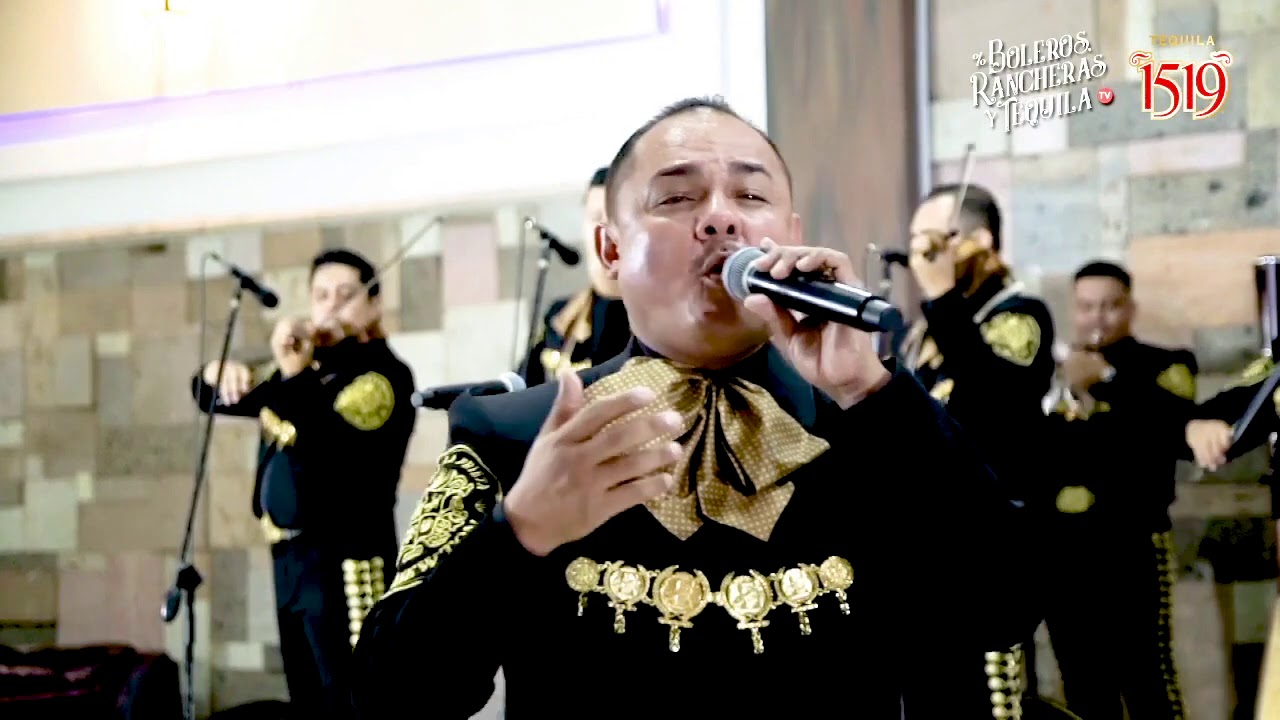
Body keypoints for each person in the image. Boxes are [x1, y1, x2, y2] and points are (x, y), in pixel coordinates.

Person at [351, 97, 1041, 718]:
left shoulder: (869, 420)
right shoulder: (513, 433)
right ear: (610, 250)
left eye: (750, 194)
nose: (720, 215)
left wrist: (874, 394)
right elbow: (383, 699)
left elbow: (1002, 605)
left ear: (789, 232)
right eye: (677, 198)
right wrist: (520, 532)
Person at [190, 249, 417, 720]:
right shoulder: (305, 369)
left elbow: (329, 445)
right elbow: (216, 398)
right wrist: (216, 373)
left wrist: (293, 372)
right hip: (291, 560)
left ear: (374, 305)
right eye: (320, 296)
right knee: (306, 699)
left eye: (345, 295)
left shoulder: (381, 376)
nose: (330, 307)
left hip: (345, 562)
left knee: (353, 699)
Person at [896, 183, 1057, 700]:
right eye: (918, 241)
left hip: (992, 542)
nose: (921, 256)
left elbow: (995, 400)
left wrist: (941, 297)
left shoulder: (1021, 315)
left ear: (980, 241)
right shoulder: (928, 329)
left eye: (935, 242)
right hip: (927, 541)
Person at [1040, 261, 1196, 719]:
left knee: (1147, 676)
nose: (1098, 317)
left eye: (1110, 306)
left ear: (1130, 308)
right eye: (1087, 307)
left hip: (1131, 548)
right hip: (1062, 552)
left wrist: (1105, 380)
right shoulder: (1050, 369)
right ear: (1074, 309)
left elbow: (1173, 429)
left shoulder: (1164, 366)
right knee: (1082, 683)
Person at [518, 167, 632, 386]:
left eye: (615, 219)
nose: (604, 232)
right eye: (596, 218)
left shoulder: (659, 320)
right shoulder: (560, 317)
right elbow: (524, 386)